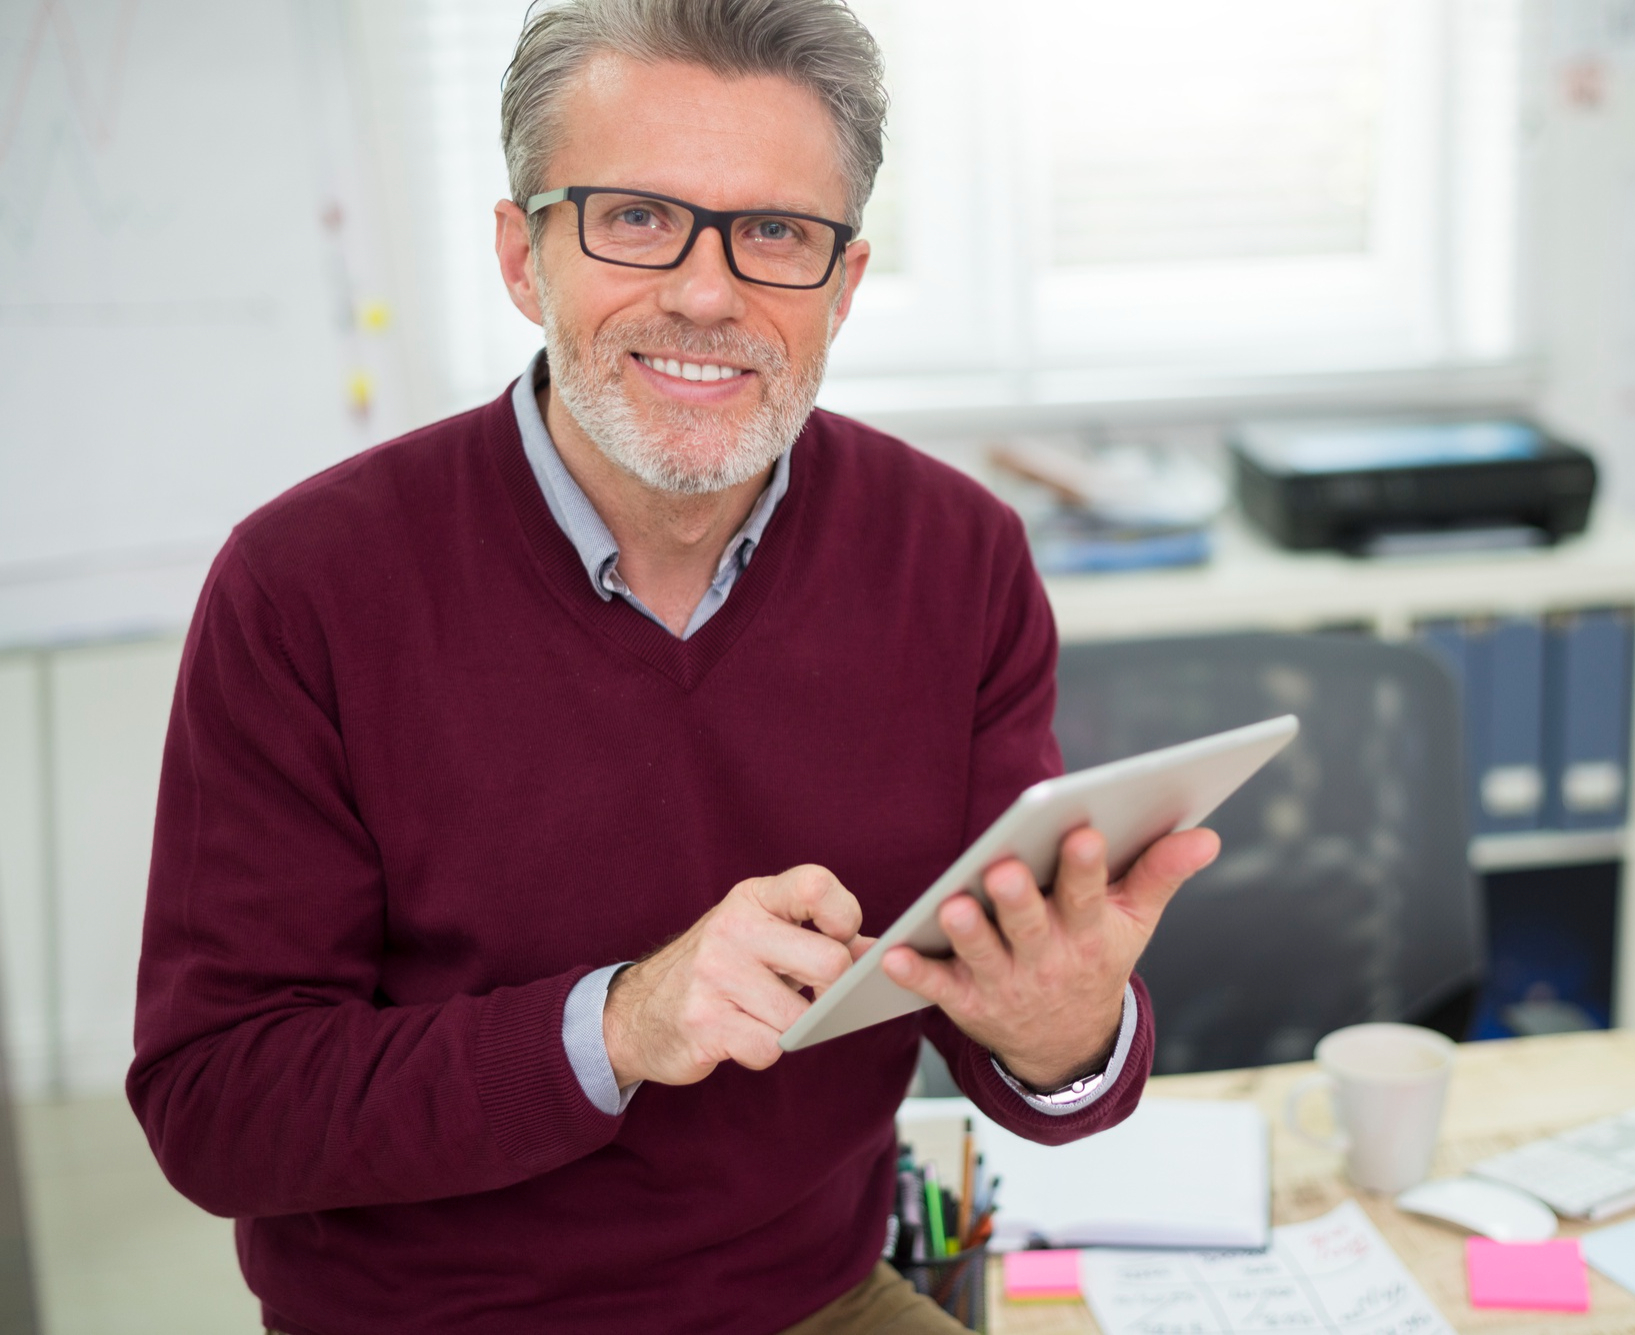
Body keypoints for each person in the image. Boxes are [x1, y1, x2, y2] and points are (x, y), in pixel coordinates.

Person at [125, 2, 1219, 1332]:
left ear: (844, 286)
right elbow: (218, 1110)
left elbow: (1011, 1031)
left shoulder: (958, 554)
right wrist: (624, 1026)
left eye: (777, 233)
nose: (706, 295)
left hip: (812, 1299)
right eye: (636, 218)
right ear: (522, 256)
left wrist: (1063, 1037)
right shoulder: (303, 585)